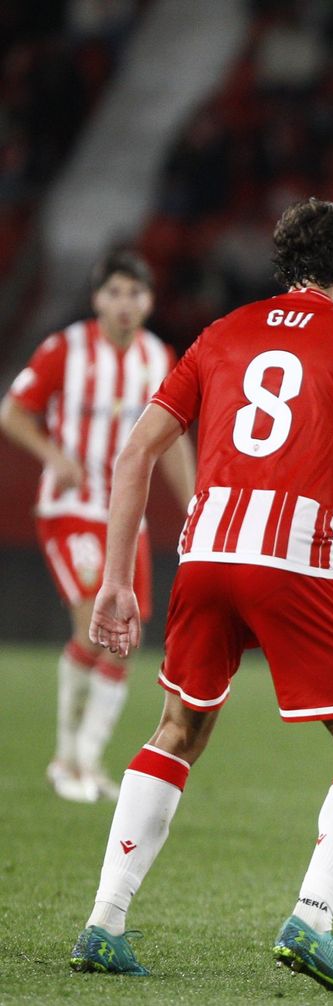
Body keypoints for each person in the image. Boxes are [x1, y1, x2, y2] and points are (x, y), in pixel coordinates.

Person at [69, 199, 333, 994]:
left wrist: (113, 582)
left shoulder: (222, 332)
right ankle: (313, 917)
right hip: (291, 559)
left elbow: (135, 456)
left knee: (177, 728)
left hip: (203, 553)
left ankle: (104, 922)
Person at [1, 250, 195, 802]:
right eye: (115, 292)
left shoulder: (160, 358)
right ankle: (66, 760)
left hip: (123, 519)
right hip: (69, 509)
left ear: (150, 301)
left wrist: (195, 503)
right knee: (94, 617)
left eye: (135, 294)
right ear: (97, 298)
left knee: (124, 640)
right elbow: (13, 411)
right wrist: (52, 455)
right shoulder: (66, 349)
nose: (125, 304)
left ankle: (86, 760)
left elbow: (175, 439)